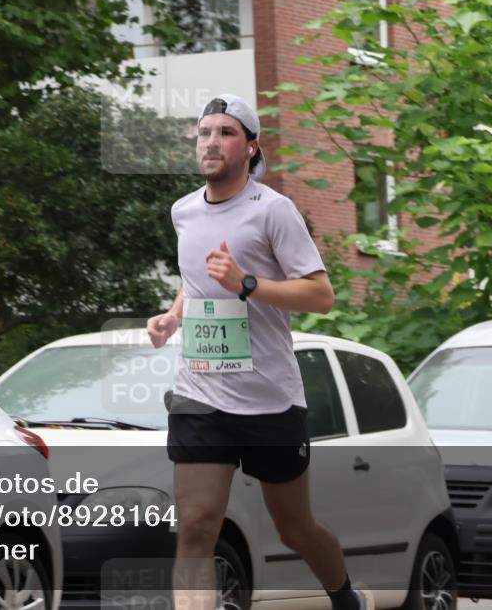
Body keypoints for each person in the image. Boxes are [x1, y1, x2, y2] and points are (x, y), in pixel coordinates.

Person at [146, 94, 372, 610]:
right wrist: (174, 315)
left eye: (225, 133)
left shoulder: (273, 211)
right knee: (196, 525)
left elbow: (320, 295)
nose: (211, 142)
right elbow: (195, 279)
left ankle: (344, 596)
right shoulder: (183, 211)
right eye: (205, 132)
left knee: (295, 528)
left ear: (251, 147)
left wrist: (248, 283)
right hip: (200, 394)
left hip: (269, 399)